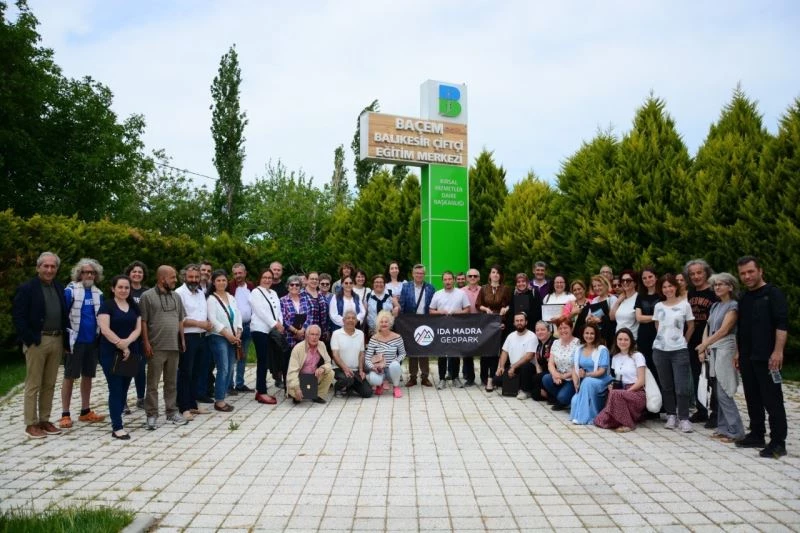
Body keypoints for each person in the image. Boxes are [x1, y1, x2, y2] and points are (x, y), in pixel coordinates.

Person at [735, 256, 788, 458]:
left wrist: (778, 351)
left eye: (750, 272)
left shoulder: (773, 294)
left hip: (768, 357)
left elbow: (781, 324)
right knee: (752, 397)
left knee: (772, 399)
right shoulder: (744, 297)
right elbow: (741, 328)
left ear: (760, 271)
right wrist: (738, 352)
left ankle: (778, 442)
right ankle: (757, 434)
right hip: (747, 356)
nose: (747, 276)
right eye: (743, 273)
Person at [13, 252, 69, 439]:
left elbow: (64, 315)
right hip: (37, 341)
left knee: (50, 383)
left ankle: (45, 420)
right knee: (33, 384)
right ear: (38, 268)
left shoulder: (59, 287)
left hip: (57, 339)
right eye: (46, 266)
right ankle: (31, 424)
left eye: (53, 266)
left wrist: (65, 341)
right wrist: (29, 339)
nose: (49, 270)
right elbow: (18, 317)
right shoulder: (27, 288)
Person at [695, 273, 744, 443]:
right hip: (714, 349)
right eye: (715, 285)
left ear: (730, 287)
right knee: (717, 391)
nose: (717, 287)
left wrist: (705, 344)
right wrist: (704, 347)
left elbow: (724, 330)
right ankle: (723, 428)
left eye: (721, 284)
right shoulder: (715, 306)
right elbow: (707, 327)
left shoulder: (733, 306)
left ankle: (736, 431)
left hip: (726, 348)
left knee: (724, 391)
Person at [140, 265, 188, 429]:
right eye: (172, 277)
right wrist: (146, 342)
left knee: (171, 382)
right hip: (156, 346)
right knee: (152, 384)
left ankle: (172, 412)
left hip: (173, 346)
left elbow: (180, 320)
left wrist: (182, 339)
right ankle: (151, 415)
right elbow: (143, 321)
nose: (175, 280)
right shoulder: (147, 296)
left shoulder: (176, 296)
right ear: (162, 279)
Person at [60, 258, 106, 428]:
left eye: (92, 272)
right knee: (69, 376)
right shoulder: (70, 291)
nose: (89, 275)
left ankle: (85, 411)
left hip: (92, 341)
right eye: (86, 272)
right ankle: (65, 414)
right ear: (79, 274)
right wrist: (64, 341)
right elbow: (63, 315)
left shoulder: (98, 293)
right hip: (75, 342)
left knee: (88, 376)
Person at [97, 275, 142, 439]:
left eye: (126, 287)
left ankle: (117, 415)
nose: (123, 290)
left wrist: (127, 343)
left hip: (131, 351)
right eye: (120, 287)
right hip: (110, 352)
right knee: (115, 388)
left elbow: (138, 329)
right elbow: (105, 329)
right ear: (113, 288)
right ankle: (117, 427)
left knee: (124, 388)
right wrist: (120, 344)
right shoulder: (106, 306)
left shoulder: (134, 306)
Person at [652, 273, 695, 433]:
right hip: (660, 350)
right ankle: (671, 414)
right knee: (666, 385)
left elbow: (691, 326)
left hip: (679, 350)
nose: (667, 289)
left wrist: (684, 341)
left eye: (670, 286)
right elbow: (657, 326)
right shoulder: (658, 306)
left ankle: (684, 418)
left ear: (676, 287)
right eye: (664, 287)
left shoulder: (685, 305)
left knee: (682, 387)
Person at [175, 265, 212, 421]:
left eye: (197, 277)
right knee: (185, 373)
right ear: (184, 277)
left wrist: (207, 323)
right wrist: (199, 323)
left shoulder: (201, 293)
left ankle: (192, 404)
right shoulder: (179, 293)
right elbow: (180, 319)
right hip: (187, 337)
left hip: (202, 336)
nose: (194, 280)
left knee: (197, 372)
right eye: (191, 277)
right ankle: (183, 407)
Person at [685, 259, 718, 427]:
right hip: (693, 341)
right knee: (698, 376)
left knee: (713, 379)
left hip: (711, 341)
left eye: (699, 273)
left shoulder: (714, 292)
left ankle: (716, 413)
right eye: (692, 274)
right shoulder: (690, 294)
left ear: (706, 273)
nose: (696, 276)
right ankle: (701, 410)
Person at [594, 328, 647, 432]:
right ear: (616, 341)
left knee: (616, 394)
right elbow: (618, 379)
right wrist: (612, 386)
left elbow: (641, 381)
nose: (623, 342)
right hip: (621, 391)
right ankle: (624, 418)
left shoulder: (637, 356)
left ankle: (628, 424)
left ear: (631, 341)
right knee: (599, 420)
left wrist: (626, 391)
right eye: (620, 339)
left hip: (636, 392)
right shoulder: (615, 357)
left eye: (626, 339)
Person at [206, 270, 242, 413]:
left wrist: (239, 331)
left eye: (224, 280)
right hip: (218, 336)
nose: (221, 283)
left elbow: (238, 314)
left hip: (233, 336)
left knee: (231, 367)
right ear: (213, 283)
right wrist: (227, 334)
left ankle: (223, 396)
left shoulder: (231, 297)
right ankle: (219, 400)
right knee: (224, 368)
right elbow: (213, 319)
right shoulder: (211, 299)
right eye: (218, 280)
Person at [429, 271, 471, 389]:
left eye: (449, 279)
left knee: (455, 354)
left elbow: (467, 309)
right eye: (445, 279)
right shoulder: (437, 294)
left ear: (453, 280)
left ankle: (455, 378)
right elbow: (431, 311)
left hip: (456, 328)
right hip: (441, 328)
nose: (447, 281)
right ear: (442, 281)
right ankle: (442, 378)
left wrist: (459, 312)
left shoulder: (461, 293)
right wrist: (439, 312)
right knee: (442, 354)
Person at [476, 264, 512, 392]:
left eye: (498, 272)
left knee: (496, 351)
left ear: (501, 275)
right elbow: (478, 304)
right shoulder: (483, 288)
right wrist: (486, 309)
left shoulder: (506, 289)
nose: (495, 275)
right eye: (493, 272)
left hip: (500, 323)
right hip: (486, 323)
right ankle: (484, 377)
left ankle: (493, 377)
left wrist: (506, 309)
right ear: (490, 275)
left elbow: (510, 304)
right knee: (485, 351)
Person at [249, 268, 282, 405]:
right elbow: (261, 312)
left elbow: (278, 310)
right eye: (265, 277)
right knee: (262, 360)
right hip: (259, 329)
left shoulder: (273, 293)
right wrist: (275, 324)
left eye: (269, 278)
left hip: (270, 330)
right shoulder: (255, 292)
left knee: (269, 359)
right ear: (260, 279)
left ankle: (261, 389)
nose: (267, 280)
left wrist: (280, 322)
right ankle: (261, 391)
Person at [399, 264, 435, 387]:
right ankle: (413, 377)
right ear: (413, 274)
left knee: (424, 349)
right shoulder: (406, 287)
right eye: (417, 273)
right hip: (410, 322)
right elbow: (402, 305)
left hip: (425, 321)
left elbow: (433, 306)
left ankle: (425, 377)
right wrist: (402, 322)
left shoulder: (430, 288)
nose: (419, 275)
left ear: (424, 275)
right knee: (412, 350)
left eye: (421, 273)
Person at [569, 323, 612, 424]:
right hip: (584, 382)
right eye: (587, 333)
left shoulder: (602, 349)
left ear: (596, 335)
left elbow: (602, 371)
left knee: (588, 381)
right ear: (583, 334)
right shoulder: (578, 349)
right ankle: (580, 415)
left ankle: (582, 419)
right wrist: (576, 383)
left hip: (601, 381)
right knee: (575, 400)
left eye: (592, 333)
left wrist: (586, 375)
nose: (589, 336)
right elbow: (574, 368)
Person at [124, 260, 149, 411]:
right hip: (128, 336)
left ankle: (141, 398)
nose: (137, 274)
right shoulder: (125, 289)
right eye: (134, 271)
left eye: (140, 272)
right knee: (126, 369)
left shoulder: (147, 292)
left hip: (143, 336)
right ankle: (123, 400)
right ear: (129, 273)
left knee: (140, 369)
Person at [494, 312, 537, 400]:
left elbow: (529, 356)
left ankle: (525, 391)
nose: (519, 323)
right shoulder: (511, 336)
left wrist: (513, 367)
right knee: (496, 379)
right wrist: (501, 367)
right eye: (517, 321)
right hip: (513, 368)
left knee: (526, 367)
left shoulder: (532, 336)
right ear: (514, 323)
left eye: (521, 320)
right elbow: (504, 352)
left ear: (526, 322)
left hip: (527, 368)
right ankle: (516, 386)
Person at [287, 325, 333, 404]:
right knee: (296, 393)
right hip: (299, 378)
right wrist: (296, 388)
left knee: (330, 373)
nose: (314, 337)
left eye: (317, 335)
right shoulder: (298, 348)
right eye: (312, 334)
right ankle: (299, 394)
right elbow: (292, 371)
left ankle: (317, 395)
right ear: (307, 335)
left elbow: (328, 362)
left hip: (313, 377)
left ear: (319, 336)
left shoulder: (321, 345)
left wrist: (323, 368)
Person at [634, 268, 663, 398]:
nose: (647, 280)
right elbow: (639, 318)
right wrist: (656, 317)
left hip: (659, 335)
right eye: (644, 278)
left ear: (656, 277)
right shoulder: (640, 296)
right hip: (644, 336)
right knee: (647, 368)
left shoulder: (662, 294)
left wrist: (649, 318)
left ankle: (664, 402)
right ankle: (651, 400)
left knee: (660, 368)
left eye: (650, 276)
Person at [330, 310, 372, 398]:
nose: (351, 320)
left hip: (355, 370)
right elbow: (335, 355)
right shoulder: (336, 334)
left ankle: (350, 387)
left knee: (367, 393)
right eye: (348, 318)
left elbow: (361, 354)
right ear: (343, 320)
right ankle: (338, 388)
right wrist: (345, 369)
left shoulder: (360, 334)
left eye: (353, 318)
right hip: (339, 369)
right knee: (348, 379)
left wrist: (361, 370)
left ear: (356, 321)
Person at [541, 318, 580, 410]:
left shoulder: (577, 343)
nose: (563, 330)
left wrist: (563, 376)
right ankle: (561, 399)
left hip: (571, 378)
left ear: (571, 328)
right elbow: (550, 363)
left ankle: (563, 399)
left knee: (562, 397)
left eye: (565, 328)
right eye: (560, 328)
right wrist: (555, 375)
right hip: (558, 377)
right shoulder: (556, 343)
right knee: (546, 378)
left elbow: (577, 366)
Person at [365, 310, 407, 398]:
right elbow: (367, 358)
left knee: (395, 365)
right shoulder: (374, 338)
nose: (384, 324)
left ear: (390, 323)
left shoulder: (397, 337)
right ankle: (379, 385)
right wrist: (373, 367)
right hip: (379, 369)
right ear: (378, 324)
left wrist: (396, 361)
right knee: (373, 378)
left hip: (392, 369)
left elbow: (403, 354)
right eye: (381, 322)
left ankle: (396, 387)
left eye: (386, 322)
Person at [227, 263, 254, 393]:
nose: (238, 276)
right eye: (235, 273)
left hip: (248, 325)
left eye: (240, 273)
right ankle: (229, 385)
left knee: (243, 355)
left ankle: (240, 383)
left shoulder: (251, 286)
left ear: (245, 273)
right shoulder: (229, 287)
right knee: (232, 356)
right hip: (233, 327)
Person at [459, 268, 482, 386]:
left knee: (484, 351)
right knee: (467, 353)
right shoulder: (461, 291)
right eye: (470, 276)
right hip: (466, 324)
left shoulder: (484, 290)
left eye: (475, 276)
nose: (473, 278)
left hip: (481, 324)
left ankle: (484, 377)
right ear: (467, 278)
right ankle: (470, 378)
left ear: (479, 278)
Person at [584, 275, 617, 347]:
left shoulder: (612, 299)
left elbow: (614, 318)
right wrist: (589, 319)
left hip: (609, 334)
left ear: (605, 285)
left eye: (599, 285)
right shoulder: (594, 300)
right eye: (594, 286)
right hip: (597, 335)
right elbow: (588, 317)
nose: (597, 288)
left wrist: (600, 320)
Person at [610, 269, 639, 338]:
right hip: (618, 338)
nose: (625, 282)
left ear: (635, 283)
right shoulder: (621, 298)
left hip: (632, 339)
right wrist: (618, 301)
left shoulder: (638, 298)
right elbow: (612, 317)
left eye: (628, 280)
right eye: (623, 281)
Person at [304, 271, 331, 345]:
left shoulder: (321, 295)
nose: (314, 281)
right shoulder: (301, 295)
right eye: (312, 279)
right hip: (307, 333)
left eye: (316, 279)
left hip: (321, 334)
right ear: (306, 280)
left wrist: (327, 330)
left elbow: (326, 315)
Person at [530, 320, 554, 402]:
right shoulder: (539, 345)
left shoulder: (554, 342)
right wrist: (540, 384)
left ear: (549, 331)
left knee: (536, 378)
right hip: (543, 374)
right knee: (535, 394)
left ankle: (552, 395)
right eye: (537, 330)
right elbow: (538, 365)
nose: (539, 332)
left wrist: (539, 378)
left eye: (543, 330)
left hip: (553, 373)